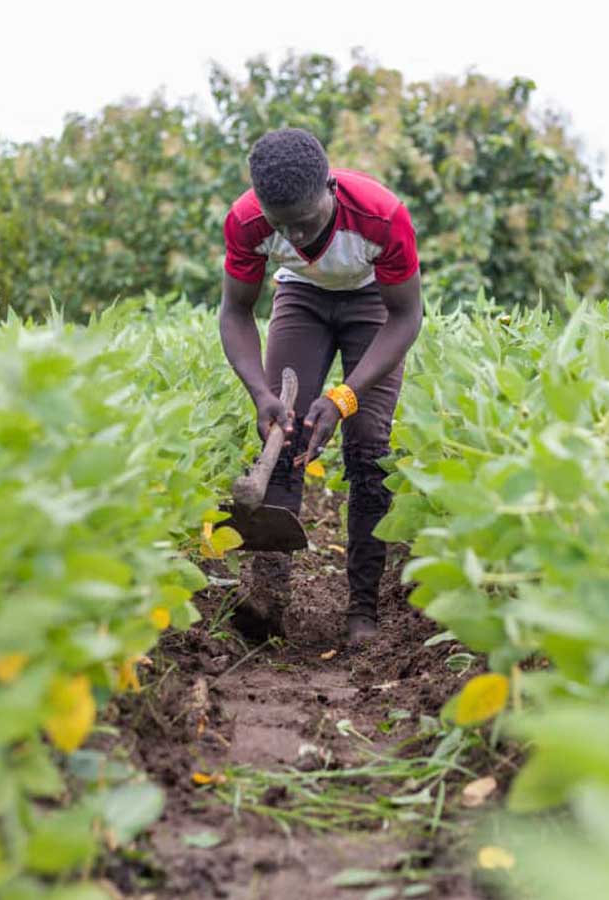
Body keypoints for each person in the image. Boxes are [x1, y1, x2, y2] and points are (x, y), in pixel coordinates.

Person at [218, 127, 424, 646]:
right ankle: (267, 599)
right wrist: (260, 394)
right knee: (282, 435)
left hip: (374, 305)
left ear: (330, 188)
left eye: (305, 223)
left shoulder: (381, 217)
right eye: (280, 226)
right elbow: (236, 312)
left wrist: (344, 396)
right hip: (301, 301)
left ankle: (363, 611)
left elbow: (405, 317)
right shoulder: (246, 221)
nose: (296, 238)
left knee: (369, 449)